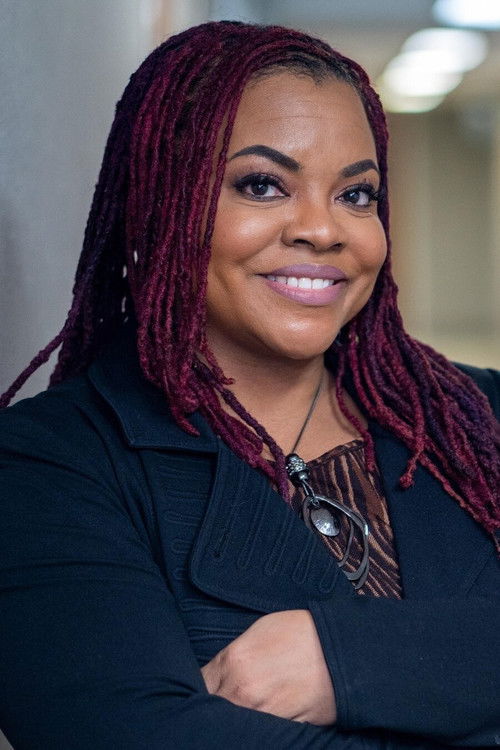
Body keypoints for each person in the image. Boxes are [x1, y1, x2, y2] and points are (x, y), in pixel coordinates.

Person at [0, 19, 498, 750]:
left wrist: (346, 660)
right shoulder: (51, 465)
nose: (323, 230)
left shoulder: (477, 416)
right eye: (262, 184)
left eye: (357, 194)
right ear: (163, 202)